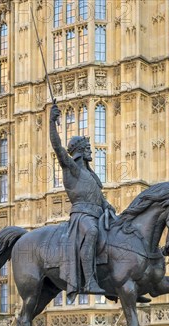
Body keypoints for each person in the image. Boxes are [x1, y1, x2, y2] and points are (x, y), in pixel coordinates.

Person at [49, 104, 115, 298]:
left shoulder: (90, 175)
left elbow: (99, 198)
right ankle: (90, 281)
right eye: (87, 148)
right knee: (92, 232)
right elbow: (57, 147)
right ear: (79, 151)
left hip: (98, 214)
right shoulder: (73, 169)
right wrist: (52, 121)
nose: (91, 152)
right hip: (82, 217)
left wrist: (107, 206)